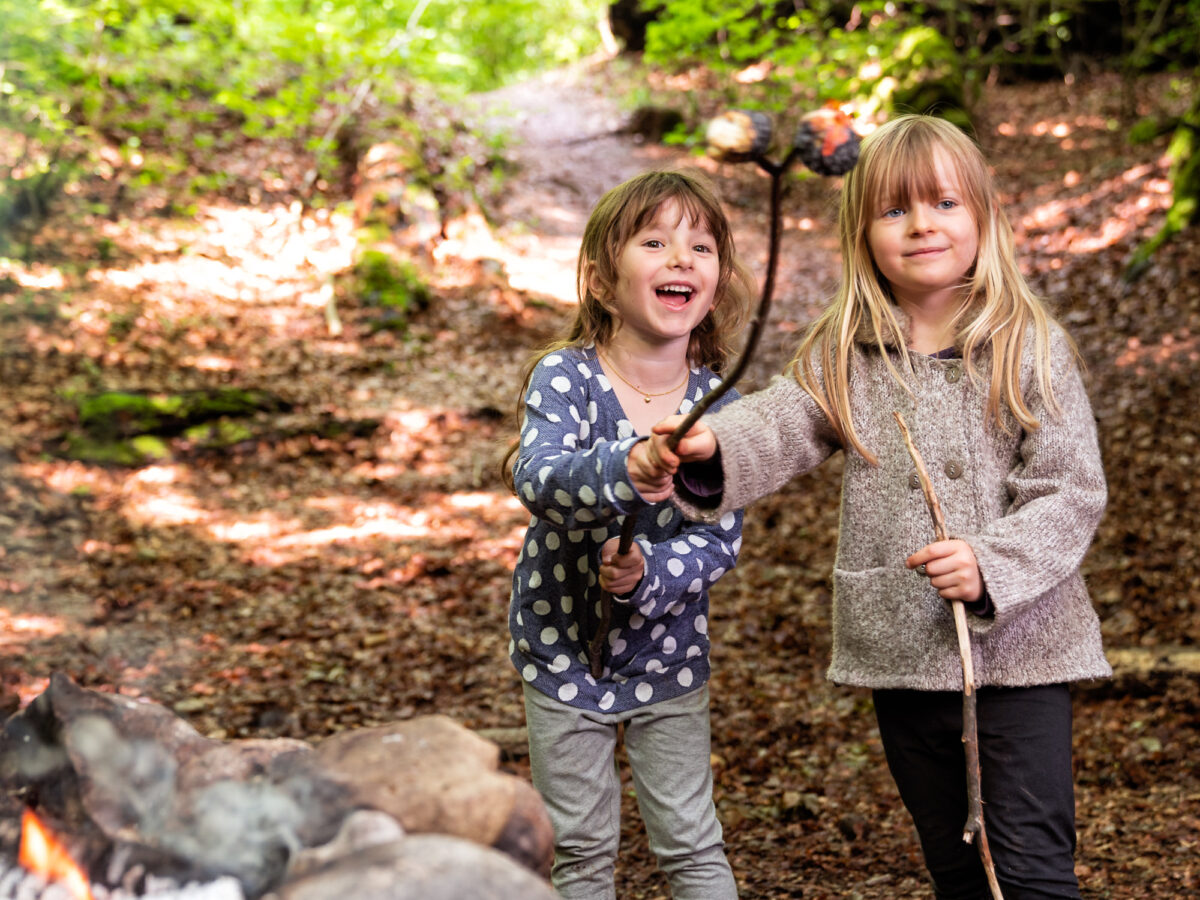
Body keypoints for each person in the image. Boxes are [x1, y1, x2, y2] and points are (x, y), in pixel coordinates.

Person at [636, 115, 1111, 899]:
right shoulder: (848, 345)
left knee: (1030, 870)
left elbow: (1070, 489)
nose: (922, 224)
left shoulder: (1029, 344)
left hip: (1026, 652)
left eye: (944, 204)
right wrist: (710, 445)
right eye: (894, 211)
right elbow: (785, 418)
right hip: (904, 651)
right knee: (957, 864)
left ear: (984, 218)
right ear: (863, 236)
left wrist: (991, 562)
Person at [503, 169, 756, 899]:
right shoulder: (566, 378)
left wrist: (651, 570)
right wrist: (626, 468)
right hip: (561, 645)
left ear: (716, 281)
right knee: (579, 847)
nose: (681, 258)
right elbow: (539, 479)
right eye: (655, 241)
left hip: (668, 655)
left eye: (701, 246)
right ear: (603, 281)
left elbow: (719, 540)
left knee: (690, 841)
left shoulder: (721, 405)